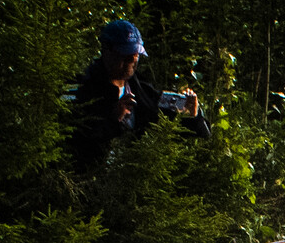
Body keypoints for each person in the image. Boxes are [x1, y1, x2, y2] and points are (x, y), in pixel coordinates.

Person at [75, 16, 199, 162]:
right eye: (125, 56)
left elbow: (183, 135)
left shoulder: (142, 92)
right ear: (106, 51)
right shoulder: (83, 89)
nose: (132, 61)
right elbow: (76, 140)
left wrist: (192, 115)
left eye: (135, 56)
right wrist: (114, 119)